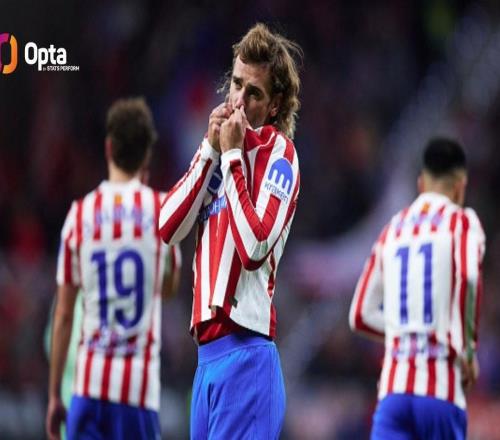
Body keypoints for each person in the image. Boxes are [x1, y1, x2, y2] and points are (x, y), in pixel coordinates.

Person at [159, 23, 302, 439]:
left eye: (253, 93)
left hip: (247, 359)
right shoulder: (217, 152)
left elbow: (254, 247)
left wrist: (234, 158)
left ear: (274, 105)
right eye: (236, 84)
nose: (239, 101)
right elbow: (167, 227)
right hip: (206, 364)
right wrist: (209, 150)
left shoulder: (280, 156)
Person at [46, 97, 181, 440]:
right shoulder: (163, 210)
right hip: (138, 393)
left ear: (108, 148)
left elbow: (63, 314)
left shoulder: (79, 214)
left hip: (87, 388)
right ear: (147, 156)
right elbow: (168, 288)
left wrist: (54, 394)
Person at [349, 138, 485, 439]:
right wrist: (467, 349)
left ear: (421, 184)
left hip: (394, 393)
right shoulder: (462, 222)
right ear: (460, 186)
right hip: (440, 389)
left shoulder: (393, 228)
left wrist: (405, 331)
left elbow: (359, 315)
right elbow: (469, 278)